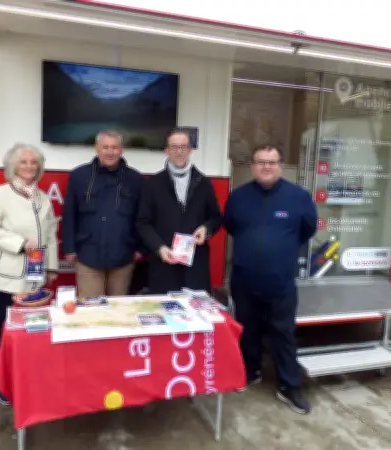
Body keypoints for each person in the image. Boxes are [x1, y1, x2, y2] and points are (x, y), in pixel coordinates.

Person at [223, 144, 317, 415]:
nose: (266, 167)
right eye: (260, 162)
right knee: (247, 330)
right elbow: (230, 226)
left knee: (283, 334)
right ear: (252, 166)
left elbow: (307, 229)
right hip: (244, 279)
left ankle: (289, 386)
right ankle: (250, 372)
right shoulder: (238, 197)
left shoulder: (298, 197)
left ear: (280, 165)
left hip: (281, 281)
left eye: (272, 162)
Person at [0, 143, 59, 405]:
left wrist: (51, 266)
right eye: (23, 162)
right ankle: (2, 384)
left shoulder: (42, 198)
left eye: (34, 162)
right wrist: (19, 243)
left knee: (31, 331)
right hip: (6, 276)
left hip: (34, 276)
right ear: (13, 166)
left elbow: (49, 236)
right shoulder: (0, 194)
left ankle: (25, 378)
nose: (29, 167)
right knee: (7, 329)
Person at [136, 128, 222, 294]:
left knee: (196, 316)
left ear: (190, 150)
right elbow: (142, 223)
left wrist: (206, 229)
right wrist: (159, 248)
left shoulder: (203, 183)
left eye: (183, 147)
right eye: (174, 147)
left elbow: (215, 217)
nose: (179, 151)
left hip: (195, 266)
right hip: (163, 265)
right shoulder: (153, 184)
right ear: (166, 150)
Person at [62, 130, 144, 298]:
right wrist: (69, 248)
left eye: (114, 147)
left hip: (123, 256)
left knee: (118, 310)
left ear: (121, 150)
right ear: (96, 148)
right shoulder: (79, 176)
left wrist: (141, 248)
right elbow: (70, 214)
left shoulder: (136, 179)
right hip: (88, 255)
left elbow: (142, 216)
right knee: (91, 311)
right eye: (105, 147)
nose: (110, 152)